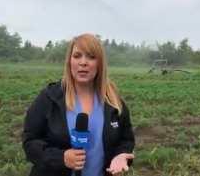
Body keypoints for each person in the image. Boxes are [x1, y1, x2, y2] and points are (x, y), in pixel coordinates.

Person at [22, 33, 135, 176]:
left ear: (100, 63)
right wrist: (60, 158)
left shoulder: (113, 101)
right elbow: (29, 142)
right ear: (69, 61)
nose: (83, 62)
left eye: (91, 57)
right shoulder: (50, 98)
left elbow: (126, 139)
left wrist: (121, 155)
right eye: (77, 56)